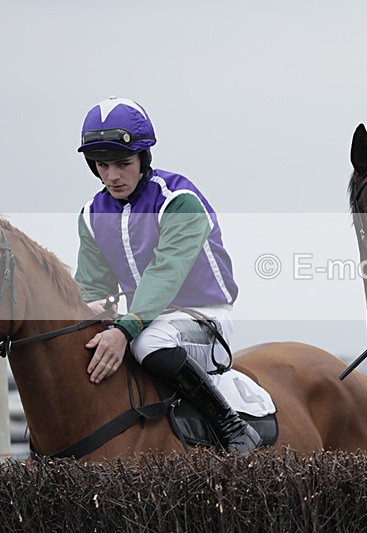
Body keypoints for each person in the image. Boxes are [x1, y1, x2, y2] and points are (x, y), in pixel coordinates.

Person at [74, 96, 260, 454]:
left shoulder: (179, 200)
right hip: (140, 320)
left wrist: (125, 328)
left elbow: (166, 271)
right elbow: (93, 286)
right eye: (101, 165)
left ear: (143, 159)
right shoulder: (90, 214)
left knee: (148, 343)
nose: (111, 176)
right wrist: (91, 310)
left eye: (122, 163)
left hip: (203, 320)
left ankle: (232, 427)